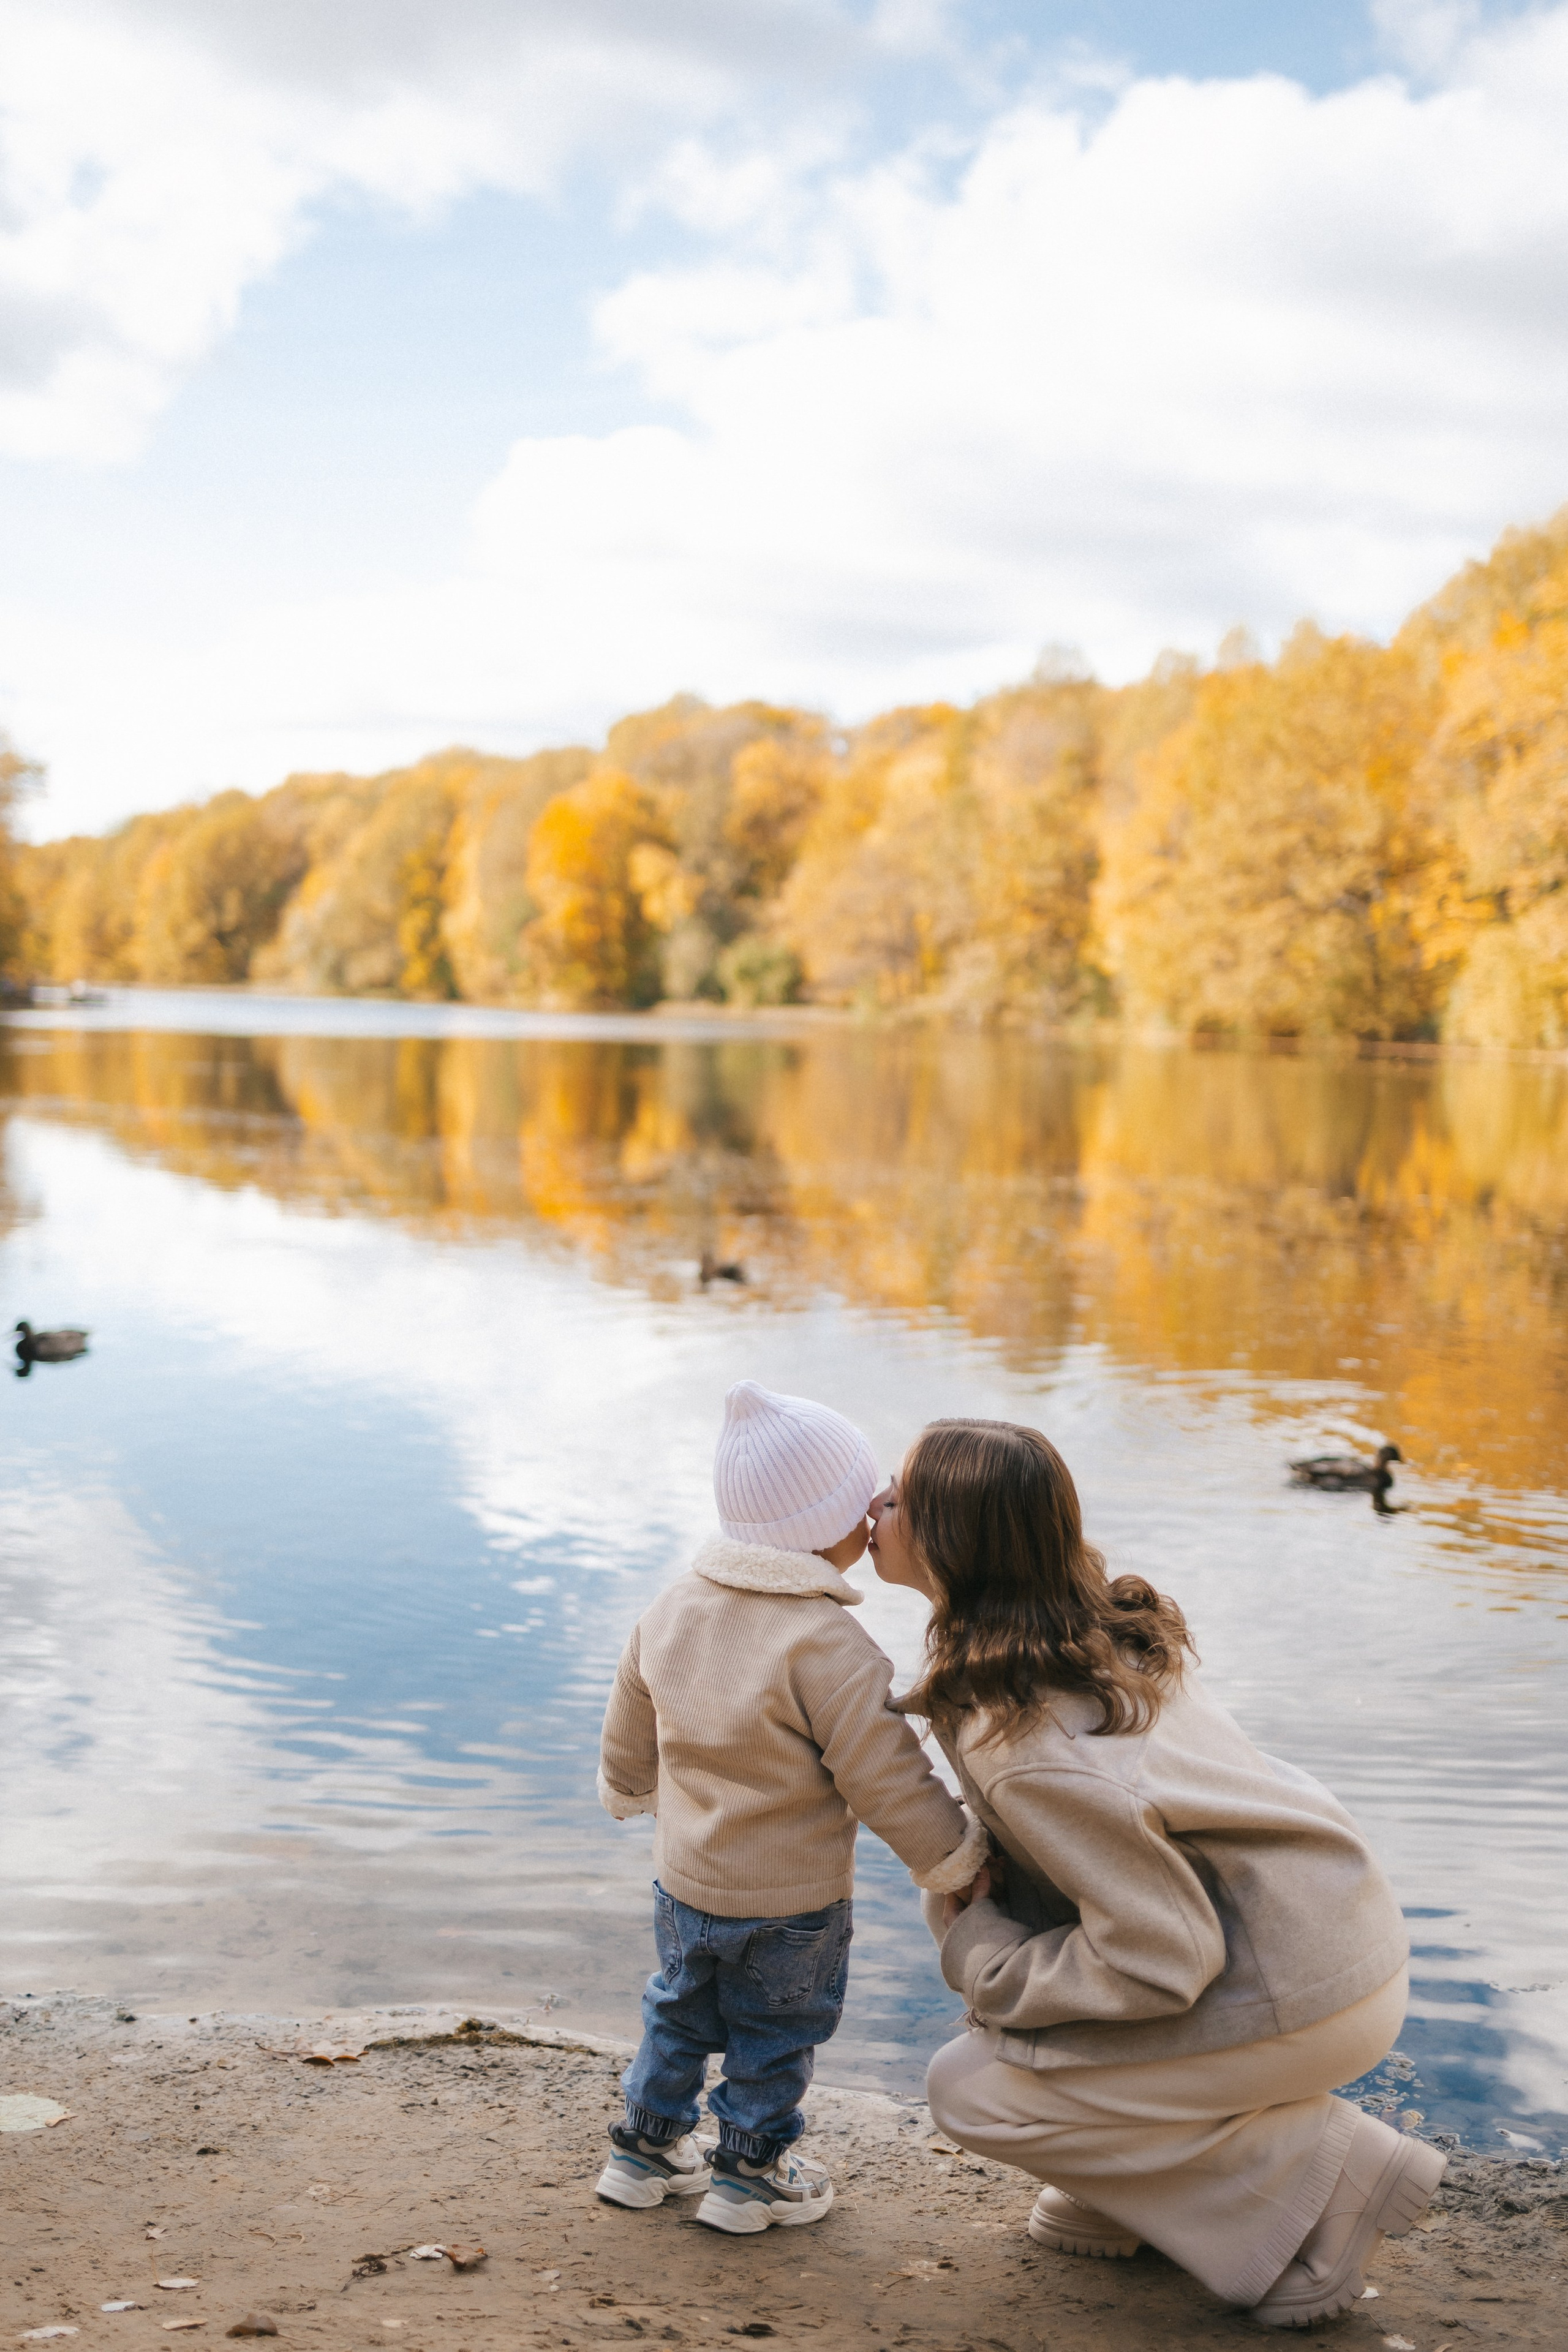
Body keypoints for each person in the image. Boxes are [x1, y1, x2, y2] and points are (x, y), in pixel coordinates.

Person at [866, 1417, 1442, 2329]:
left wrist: (983, 1952)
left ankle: (1327, 2169)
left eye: (897, 1494)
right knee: (1032, 2036)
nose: (875, 1504)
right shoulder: (1086, 1634)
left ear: (951, 1540)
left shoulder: (1025, 1740)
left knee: (970, 2087)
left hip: (1302, 1988)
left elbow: (1161, 1957)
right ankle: (1122, 2194)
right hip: (1336, 1932)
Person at [595, 1380, 989, 2236]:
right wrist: (953, 1859)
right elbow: (885, 1776)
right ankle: (750, 2173)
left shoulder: (673, 1607)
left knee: (679, 2009)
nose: (882, 1510)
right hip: (793, 1904)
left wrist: (630, 1787)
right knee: (776, 2032)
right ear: (843, 1526)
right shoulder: (830, 1647)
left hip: (686, 1881)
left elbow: (632, 1707)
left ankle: (644, 2150)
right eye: (871, 1498)